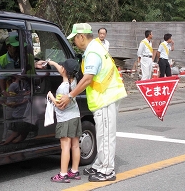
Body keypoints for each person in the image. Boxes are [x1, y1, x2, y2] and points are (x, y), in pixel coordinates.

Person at [57, 23, 127, 182]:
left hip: (106, 98)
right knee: (102, 134)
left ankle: (107, 170)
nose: (74, 42)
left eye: (75, 38)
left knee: (106, 135)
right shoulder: (96, 47)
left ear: (81, 36)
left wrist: (70, 95)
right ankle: (100, 164)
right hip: (105, 97)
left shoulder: (93, 52)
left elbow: (88, 78)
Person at [47, 58, 82, 183]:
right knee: (75, 145)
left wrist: (50, 95)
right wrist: (52, 62)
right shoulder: (75, 82)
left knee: (65, 147)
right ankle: (74, 171)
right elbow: (63, 70)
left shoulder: (62, 88)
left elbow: (60, 105)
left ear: (64, 70)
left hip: (65, 119)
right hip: (75, 116)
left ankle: (63, 174)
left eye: (62, 66)